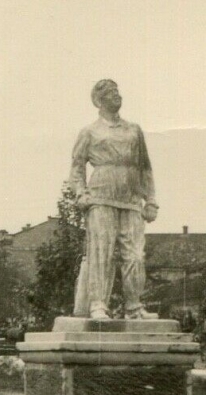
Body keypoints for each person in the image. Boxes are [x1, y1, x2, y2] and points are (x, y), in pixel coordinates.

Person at [69, 79, 159, 320]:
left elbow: (145, 168)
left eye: (118, 92)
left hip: (131, 199)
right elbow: (77, 167)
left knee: (135, 255)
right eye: (110, 93)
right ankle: (98, 304)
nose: (116, 96)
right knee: (102, 252)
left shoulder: (133, 130)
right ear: (99, 101)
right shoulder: (90, 132)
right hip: (101, 197)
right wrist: (81, 193)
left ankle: (134, 306)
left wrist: (150, 199)